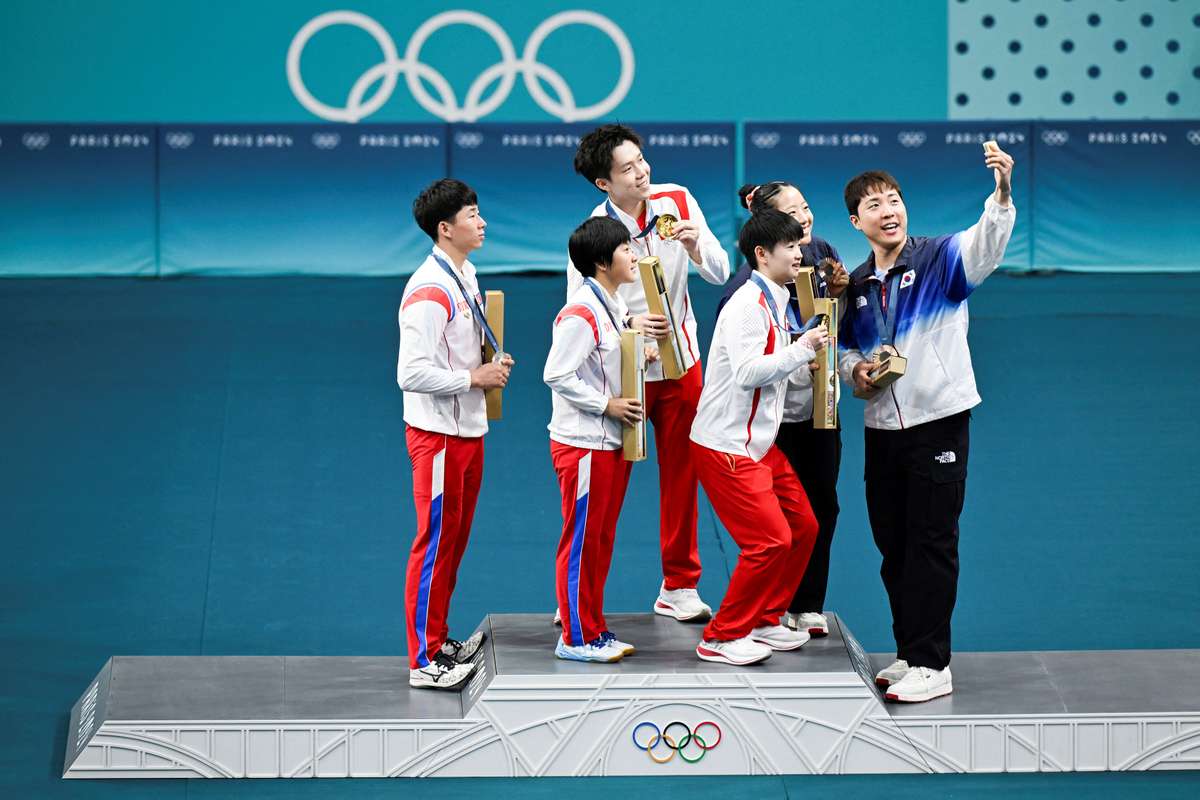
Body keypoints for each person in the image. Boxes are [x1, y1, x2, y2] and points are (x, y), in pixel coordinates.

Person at [838, 145, 1016, 702]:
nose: (888, 210)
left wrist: (1002, 194)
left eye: (895, 200)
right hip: (881, 430)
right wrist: (858, 374)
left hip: (938, 421)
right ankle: (910, 652)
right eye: (874, 204)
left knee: (932, 542)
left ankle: (935, 664)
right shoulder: (860, 286)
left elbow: (986, 242)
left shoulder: (940, 258)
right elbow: (845, 354)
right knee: (894, 545)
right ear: (856, 221)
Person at [569, 124, 730, 622]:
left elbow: (721, 272)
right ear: (604, 183)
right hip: (625, 373)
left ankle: (679, 586)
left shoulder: (677, 200)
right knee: (607, 485)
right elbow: (578, 306)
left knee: (683, 476)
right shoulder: (594, 232)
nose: (642, 173)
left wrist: (697, 242)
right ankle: (580, 593)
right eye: (627, 169)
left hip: (682, 364)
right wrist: (628, 322)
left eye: (642, 161)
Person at [689, 210, 827, 665]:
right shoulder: (747, 305)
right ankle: (722, 635)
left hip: (759, 445)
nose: (799, 251)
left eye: (798, 244)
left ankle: (767, 619)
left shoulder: (777, 297)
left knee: (804, 527)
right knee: (768, 542)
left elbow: (774, 366)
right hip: (726, 445)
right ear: (761, 255)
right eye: (789, 246)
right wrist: (800, 349)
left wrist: (797, 354)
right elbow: (749, 373)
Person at [716, 181, 849, 639]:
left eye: (807, 207)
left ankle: (806, 604)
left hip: (820, 407)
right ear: (765, 241)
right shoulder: (743, 294)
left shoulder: (823, 253)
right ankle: (763, 612)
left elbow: (835, 327)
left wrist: (841, 296)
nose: (805, 220)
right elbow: (746, 366)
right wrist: (800, 349)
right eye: (792, 217)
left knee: (822, 509)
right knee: (774, 526)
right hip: (772, 420)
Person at [397, 178, 515, 690]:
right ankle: (423, 659)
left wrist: (488, 360)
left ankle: (440, 638)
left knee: (455, 540)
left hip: (468, 429)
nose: (482, 221)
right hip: (438, 435)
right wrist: (474, 377)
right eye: (471, 215)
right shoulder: (429, 292)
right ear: (445, 229)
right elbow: (410, 372)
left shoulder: (465, 272)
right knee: (434, 540)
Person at [544, 216, 658, 662]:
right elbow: (555, 372)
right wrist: (605, 405)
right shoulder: (581, 312)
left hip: (610, 442)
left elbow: (606, 365)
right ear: (600, 261)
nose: (633, 255)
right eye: (625, 249)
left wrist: (641, 355)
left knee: (600, 538)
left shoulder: (612, 305)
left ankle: (593, 628)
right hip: (583, 443)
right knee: (581, 540)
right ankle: (574, 636)